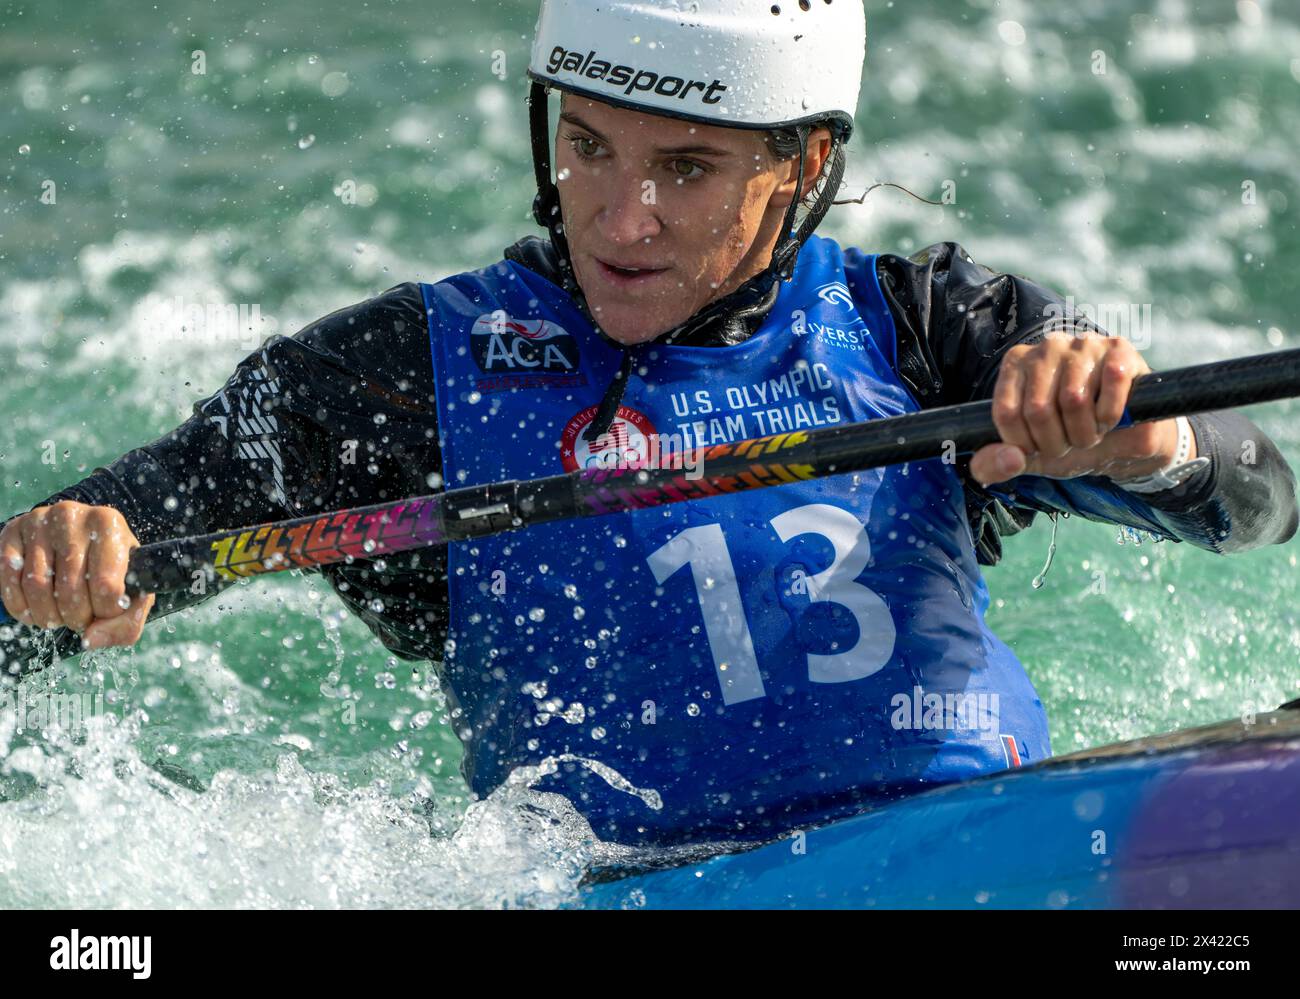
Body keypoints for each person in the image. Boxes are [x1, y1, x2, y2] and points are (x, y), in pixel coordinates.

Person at [1, 0, 1296, 847]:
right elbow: (138, 524)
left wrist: (1140, 448)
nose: (622, 220)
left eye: (688, 169)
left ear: (802, 169)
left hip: (961, 841)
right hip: (646, 881)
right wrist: (78, 559)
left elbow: (1260, 496)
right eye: (589, 148)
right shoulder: (406, 374)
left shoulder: (933, 324)